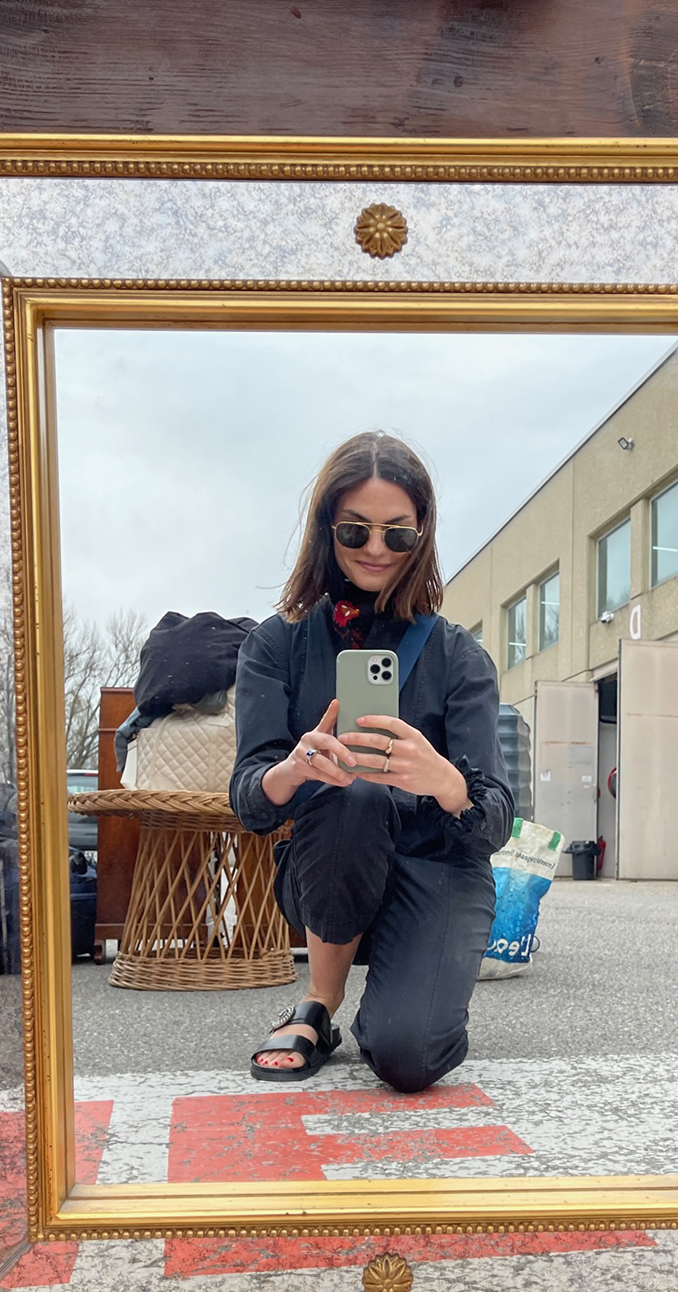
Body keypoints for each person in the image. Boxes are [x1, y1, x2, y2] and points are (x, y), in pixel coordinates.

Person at [229, 431, 514, 1093]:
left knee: (407, 1058)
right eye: (356, 531)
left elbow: (497, 819)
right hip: (333, 864)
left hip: (438, 867)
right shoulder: (278, 644)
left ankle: (413, 987)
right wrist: (295, 767)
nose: (377, 550)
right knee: (354, 793)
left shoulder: (457, 656)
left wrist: (444, 781)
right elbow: (249, 797)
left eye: (398, 534)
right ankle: (318, 1005)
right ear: (327, 530)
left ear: (424, 535)